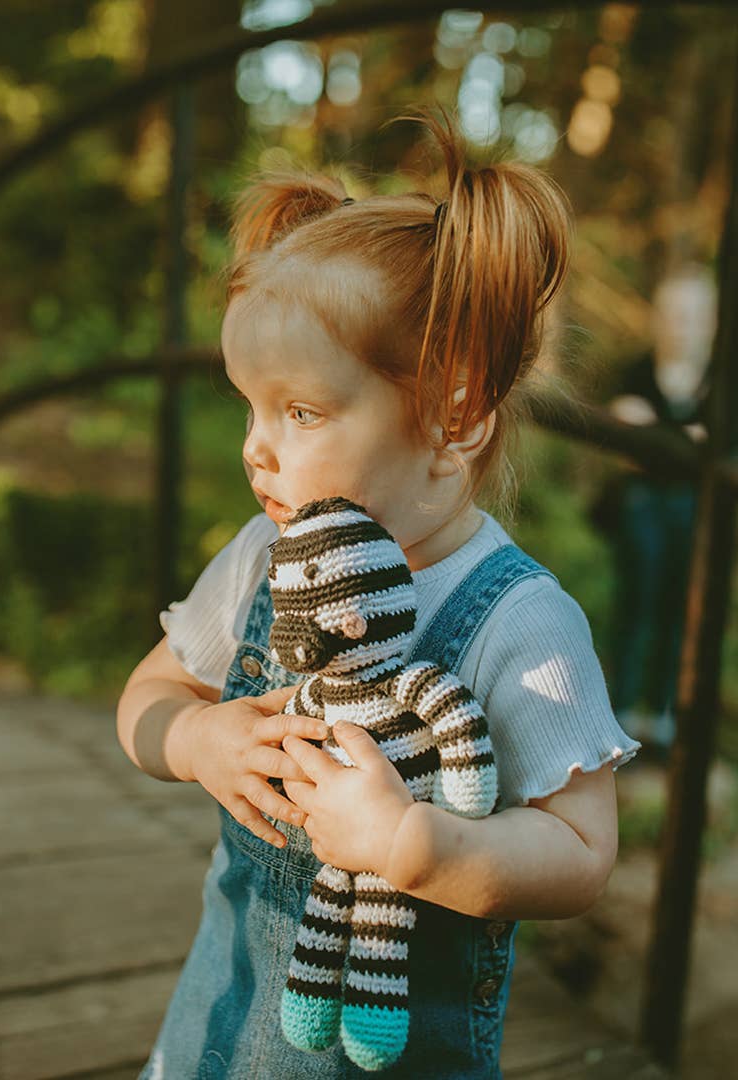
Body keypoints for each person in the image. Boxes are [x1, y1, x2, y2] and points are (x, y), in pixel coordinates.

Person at [116, 111, 641, 1079]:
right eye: (250, 405)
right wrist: (195, 740)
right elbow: (148, 698)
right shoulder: (263, 557)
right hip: (217, 1033)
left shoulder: (521, 621)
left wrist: (415, 842)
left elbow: (581, 851)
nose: (256, 446)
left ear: (455, 414)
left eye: (302, 411)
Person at [601, 264, 715, 758]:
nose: (680, 327)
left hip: (697, 513)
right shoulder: (638, 373)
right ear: (656, 320)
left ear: (710, 323)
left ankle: (665, 712)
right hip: (643, 505)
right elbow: (619, 432)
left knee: (682, 608)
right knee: (638, 600)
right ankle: (623, 709)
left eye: (691, 317)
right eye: (671, 316)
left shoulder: (719, 387)